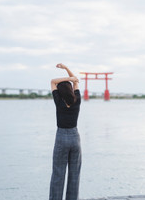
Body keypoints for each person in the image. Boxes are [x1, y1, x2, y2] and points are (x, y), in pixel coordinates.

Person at [49, 63, 82, 200]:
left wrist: (64, 77)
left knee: (58, 173)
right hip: (75, 138)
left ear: (60, 91)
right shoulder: (77, 100)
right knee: (74, 174)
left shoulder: (59, 101)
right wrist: (67, 69)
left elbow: (52, 82)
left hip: (62, 137)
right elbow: (75, 80)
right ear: (71, 90)